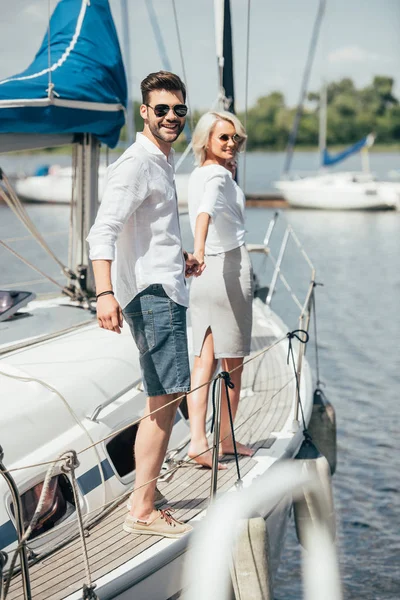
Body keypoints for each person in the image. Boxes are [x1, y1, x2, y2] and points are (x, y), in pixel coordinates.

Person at [87, 71, 204, 538]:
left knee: (160, 395)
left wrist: (180, 257)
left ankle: (145, 494)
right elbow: (104, 230)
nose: (172, 117)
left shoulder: (159, 162)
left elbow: (146, 234)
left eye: (178, 109)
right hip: (155, 299)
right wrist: (103, 293)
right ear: (145, 112)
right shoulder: (138, 163)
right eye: (162, 109)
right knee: (165, 398)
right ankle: (142, 508)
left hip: (161, 287)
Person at [187, 111, 254, 469]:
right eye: (223, 137)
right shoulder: (217, 176)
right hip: (228, 268)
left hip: (204, 276)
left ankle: (199, 440)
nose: (231, 143)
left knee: (203, 360)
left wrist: (198, 255)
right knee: (233, 363)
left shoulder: (197, 174)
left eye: (234, 138)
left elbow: (204, 208)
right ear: (206, 141)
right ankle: (224, 439)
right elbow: (205, 211)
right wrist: (197, 249)